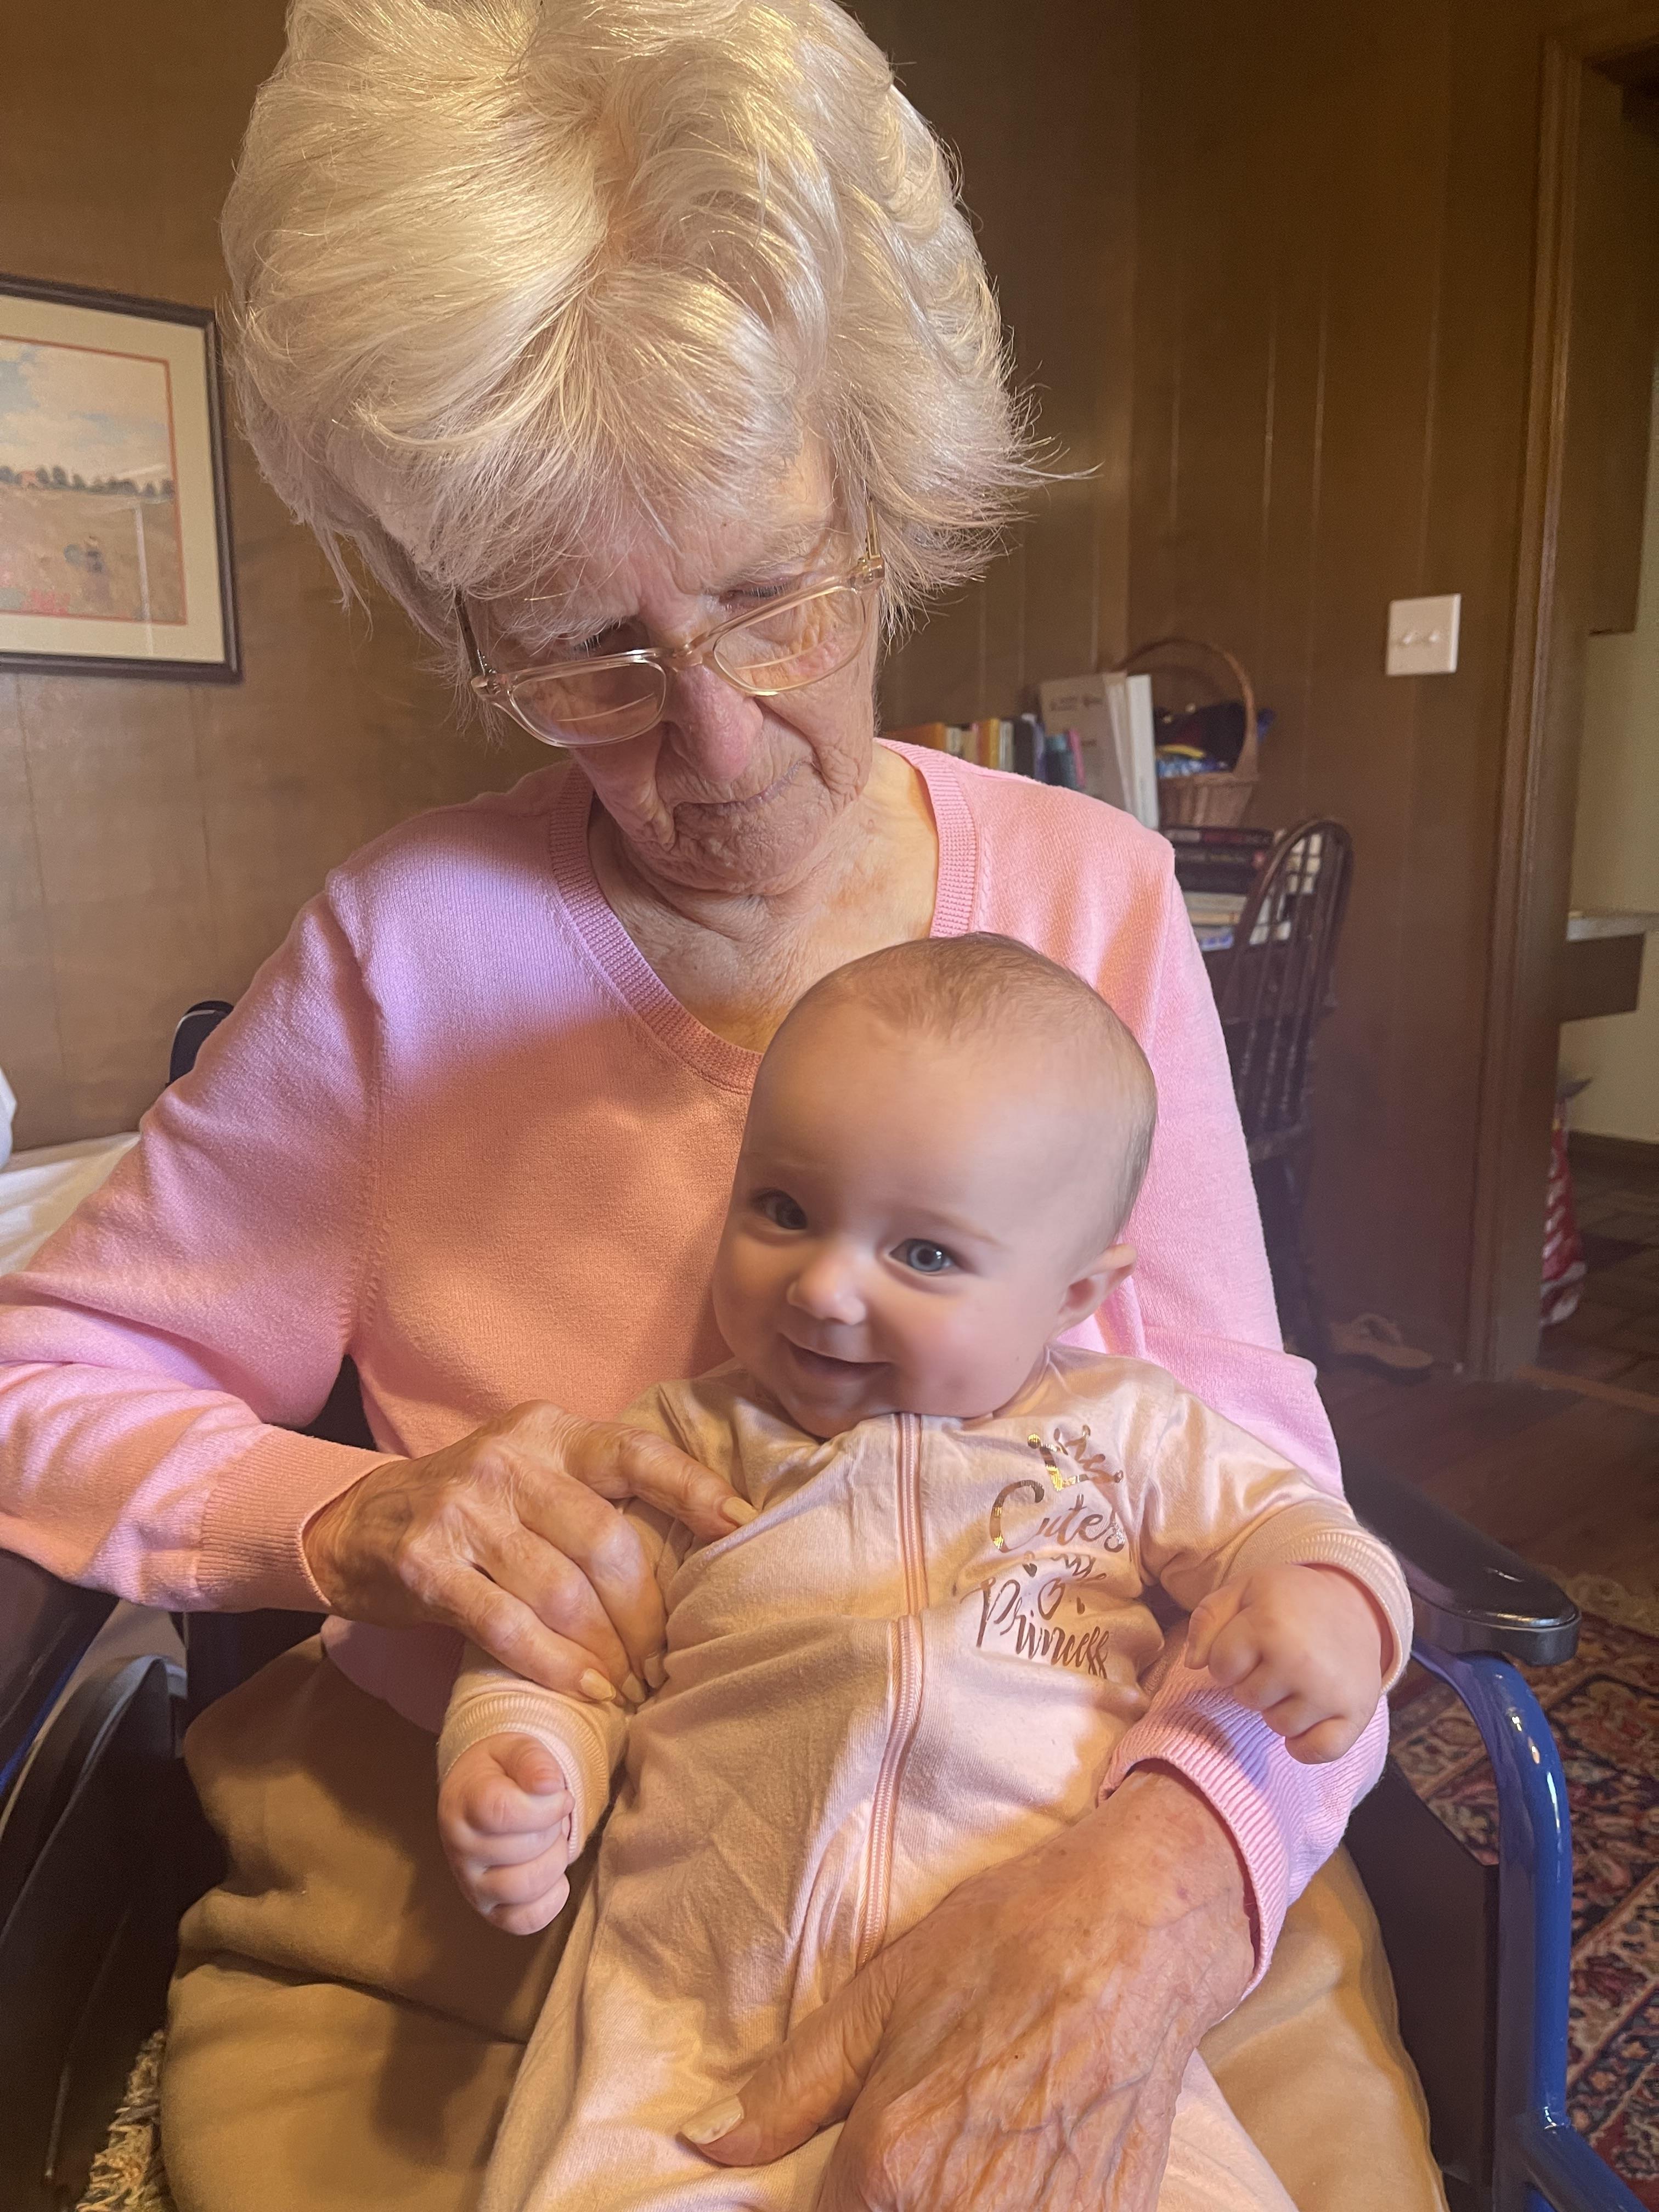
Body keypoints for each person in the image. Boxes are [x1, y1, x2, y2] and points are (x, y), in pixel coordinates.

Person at [0, 3, 1444, 2207]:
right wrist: (340, 1519)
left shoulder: (1091, 892)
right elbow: (44, 1364)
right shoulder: (404, 946)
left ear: (885, 481)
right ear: (450, 613)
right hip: (492, 1859)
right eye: (586, 647)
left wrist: (1173, 1874)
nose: (718, 739)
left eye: (776, 593)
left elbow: (1249, 1458)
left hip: (1083, 1801)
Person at [437, 935, 1414, 2212]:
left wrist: (1333, 1601)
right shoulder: (677, 1448)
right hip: (691, 2034)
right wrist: (521, 1760)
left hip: (1052, 2017)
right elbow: (557, 1645)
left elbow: (1291, 1521)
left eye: (927, 1256)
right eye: (783, 1211)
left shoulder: (1129, 1428)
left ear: (1074, 1294)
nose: (827, 1289)